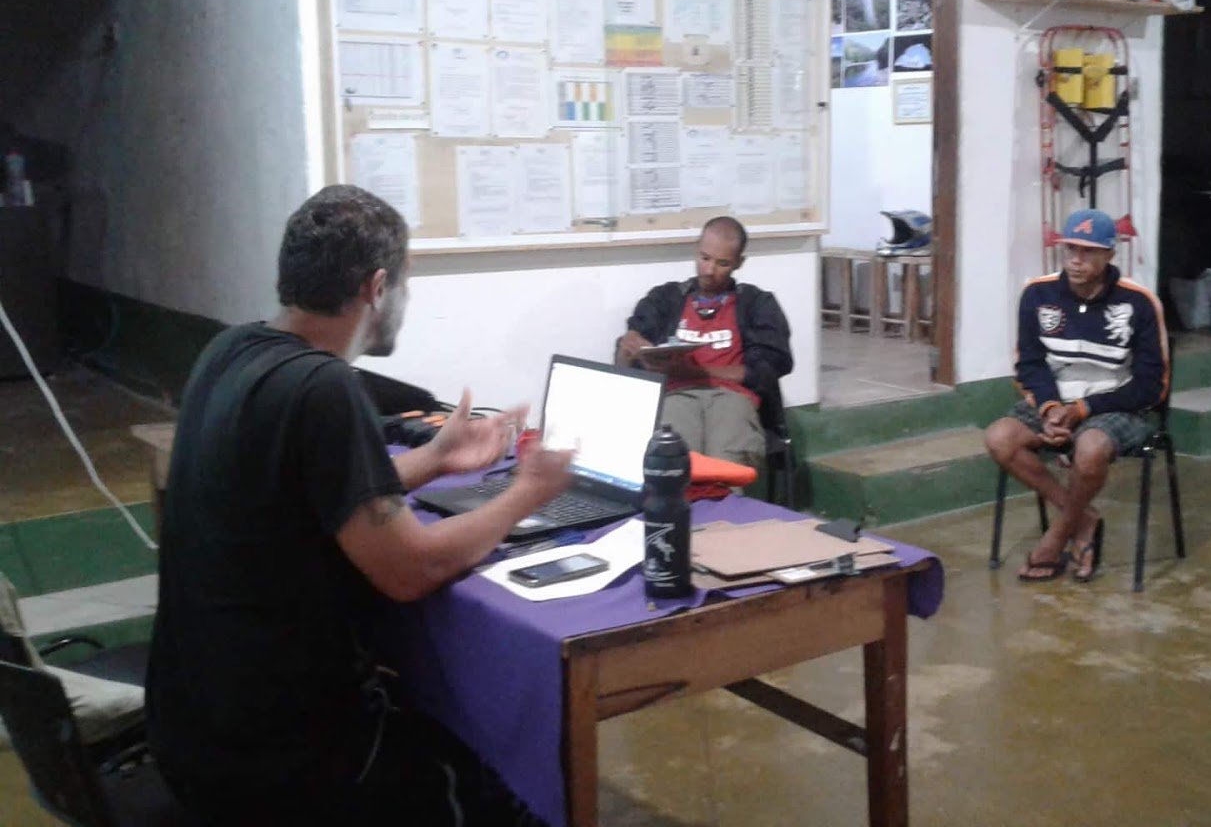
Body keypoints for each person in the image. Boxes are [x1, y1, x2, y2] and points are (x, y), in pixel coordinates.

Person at [147, 185, 570, 826]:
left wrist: (437, 457)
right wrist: (528, 493)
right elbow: (412, 570)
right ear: (376, 288)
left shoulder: (230, 351)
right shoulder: (325, 388)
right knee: (508, 785)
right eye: (406, 282)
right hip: (282, 763)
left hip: (191, 729)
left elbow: (306, 491)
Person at [984, 209, 1169, 583]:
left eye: (1088, 251)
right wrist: (1051, 408)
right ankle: (1082, 520)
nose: (1076, 260)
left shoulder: (1139, 302)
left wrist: (1084, 409)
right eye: (1070, 249)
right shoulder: (1038, 294)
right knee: (999, 438)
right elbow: (1029, 364)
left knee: (1090, 450)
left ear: (1110, 254)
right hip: (1055, 402)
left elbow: (1152, 385)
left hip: (1116, 405)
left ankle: (1056, 537)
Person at [618, 216, 792, 466]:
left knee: (726, 459)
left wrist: (696, 371)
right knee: (677, 457)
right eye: (705, 258)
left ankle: (723, 490)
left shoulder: (756, 303)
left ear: (739, 263)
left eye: (722, 263)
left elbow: (767, 369)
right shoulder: (665, 298)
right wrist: (629, 347)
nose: (709, 271)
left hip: (732, 396)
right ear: (696, 249)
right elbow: (626, 362)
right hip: (676, 394)